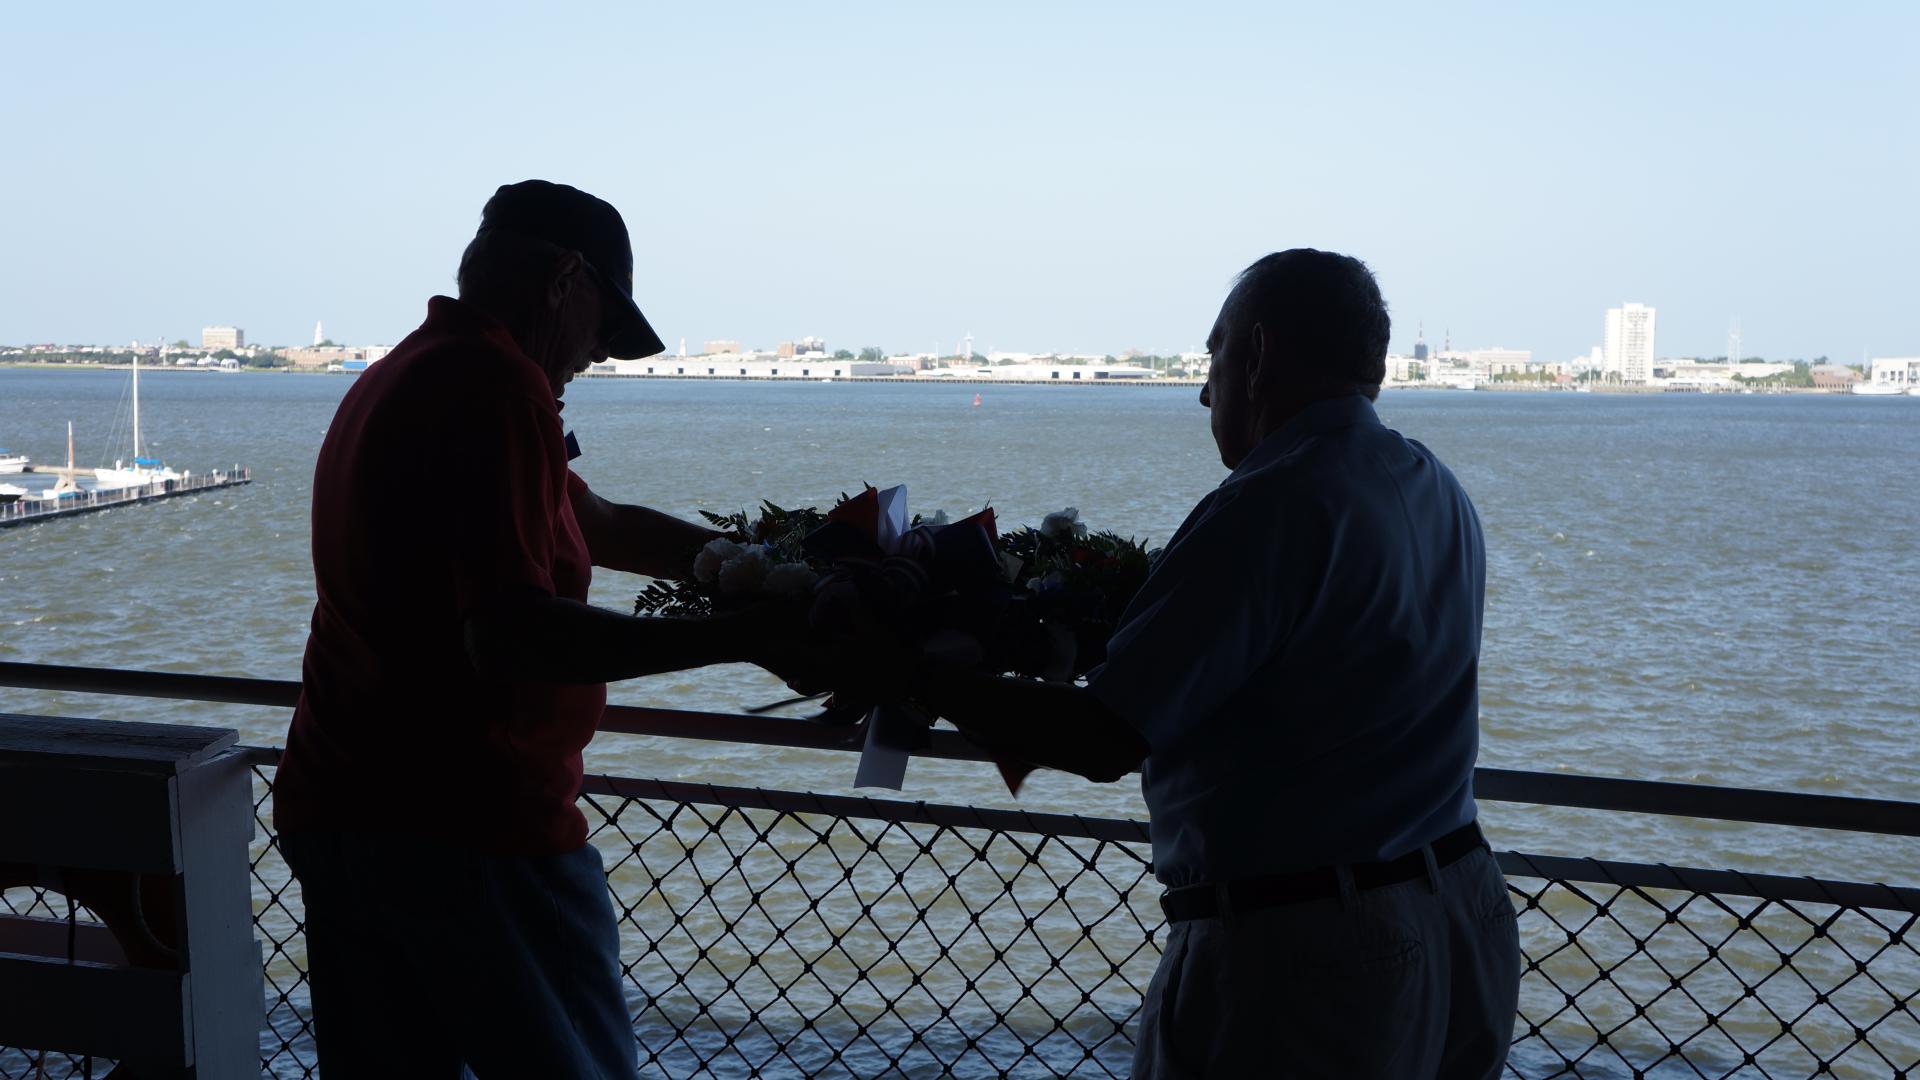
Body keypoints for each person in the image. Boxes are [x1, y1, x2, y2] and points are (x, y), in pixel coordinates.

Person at [903, 250, 1521, 1077]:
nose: (1205, 391)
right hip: (1460, 912)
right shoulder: (1433, 485)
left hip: (1311, 951)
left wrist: (903, 671)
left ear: (1257, 356)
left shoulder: (1273, 503)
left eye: (1214, 356)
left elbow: (1104, 738)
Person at [272, 180, 804, 1077]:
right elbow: (513, 636)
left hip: (343, 803)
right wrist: (746, 636)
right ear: (566, 279)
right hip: (471, 829)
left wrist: (767, 567)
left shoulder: (411, 367)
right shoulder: (496, 385)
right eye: (607, 324)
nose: (600, 352)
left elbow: (594, 521)